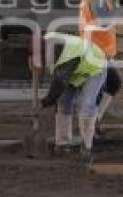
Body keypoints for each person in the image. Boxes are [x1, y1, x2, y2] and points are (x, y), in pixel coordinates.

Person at [40, 32, 107, 163]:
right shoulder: (45, 42)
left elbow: (58, 84)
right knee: (64, 102)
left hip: (94, 67)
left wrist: (44, 103)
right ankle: (63, 144)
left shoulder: (64, 56)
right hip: (76, 68)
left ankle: (86, 147)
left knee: (87, 104)